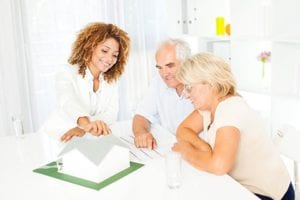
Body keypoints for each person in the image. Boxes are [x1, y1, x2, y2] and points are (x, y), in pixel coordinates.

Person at [172, 52, 294, 200]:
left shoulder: (230, 108)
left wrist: (186, 151)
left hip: (268, 194)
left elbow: (219, 165)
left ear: (210, 83)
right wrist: (205, 148)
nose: (187, 95)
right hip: (241, 186)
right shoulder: (209, 105)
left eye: (189, 88)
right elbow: (183, 130)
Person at [43, 22, 130, 142]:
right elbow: (68, 101)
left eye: (115, 55)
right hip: (58, 135)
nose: (109, 59)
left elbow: (111, 114)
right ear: (90, 47)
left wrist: (84, 129)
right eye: (104, 51)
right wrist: (85, 124)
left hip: (87, 138)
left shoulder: (111, 80)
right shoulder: (67, 72)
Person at [132, 39, 194, 149]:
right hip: (170, 149)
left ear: (186, 63)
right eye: (160, 68)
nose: (164, 74)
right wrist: (141, 133)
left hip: (198, 152)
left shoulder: (201, 86)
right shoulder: (158, 82)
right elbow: (141, 115)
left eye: (170, 66)